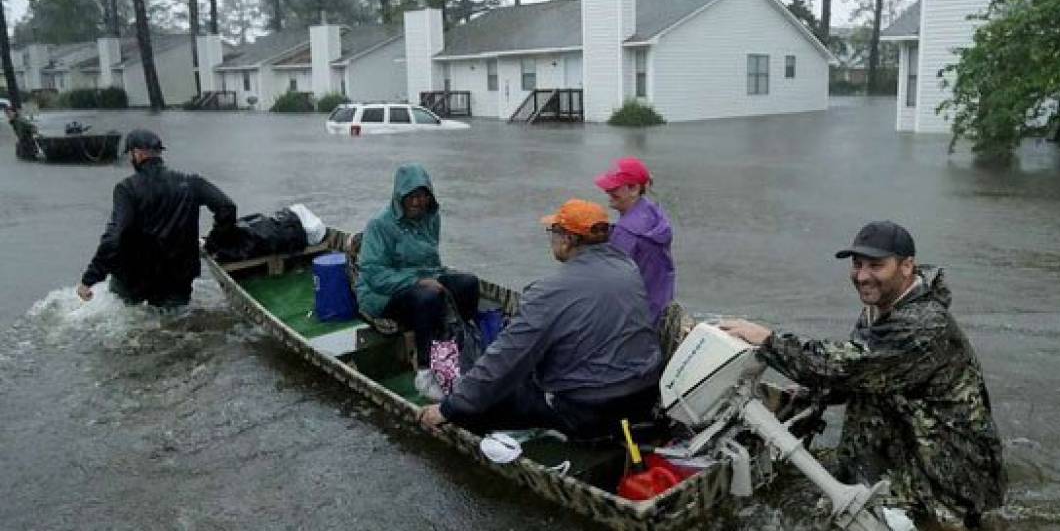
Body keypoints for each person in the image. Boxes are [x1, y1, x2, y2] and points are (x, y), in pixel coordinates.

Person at [719, 221, 1006, 528]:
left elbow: (846, 367)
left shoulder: (923, 323)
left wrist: (768, 340)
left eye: (876, 266)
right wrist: (806, 396)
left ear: (907, 266)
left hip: (948, 482)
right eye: (857, 265)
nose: (862, 276)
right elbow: (862, 378)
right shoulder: (883, 306)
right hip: (907, 453)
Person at [419, 199, 663, 440]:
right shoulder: (628, 268)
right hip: (644, 396)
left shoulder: (549, 292)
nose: (552, 239)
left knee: (480, 402)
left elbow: (506, 359)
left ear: (568, 239)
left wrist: (450, 407)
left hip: (588, 411)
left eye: (554, 232)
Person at [355, 162, 479, 402]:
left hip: (424, 280)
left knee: (468, 284)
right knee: (428, 297)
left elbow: (431, 259)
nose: (417, 201)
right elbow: (373, 274)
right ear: (399, 196)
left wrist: (435, 278)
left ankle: (457, 350)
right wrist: (417, 280)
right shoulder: (380, 225)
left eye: (422, 196)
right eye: (410, 196)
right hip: (382, 294)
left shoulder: (431, 219)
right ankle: (425, 372)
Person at [78, 129, 237, 308]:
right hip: (178, 278)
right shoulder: (191, 183)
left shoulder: (127, 189)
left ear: (137, 153)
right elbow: (227, 208)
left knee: (130, 320)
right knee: (175, 322)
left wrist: (89, 278)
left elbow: (116, 235)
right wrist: (213, 242)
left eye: (130, 154)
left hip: (135, 279)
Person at [593, 156, 675, 324]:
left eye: (614, 187)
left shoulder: (627, 232)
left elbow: (612, 282)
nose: (607, 192)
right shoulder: (652, 212)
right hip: (659, 306)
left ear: (634, 189)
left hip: (634, 320)